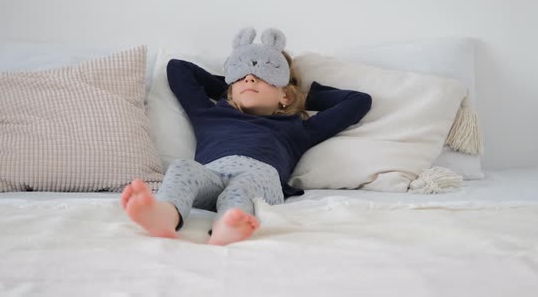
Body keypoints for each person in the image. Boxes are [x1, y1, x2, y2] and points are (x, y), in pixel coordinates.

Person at [121, 28, 372, 245]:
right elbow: (178, 68)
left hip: (260, 177)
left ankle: (227, 226)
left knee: (242, 189)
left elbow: (358, 101)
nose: (250, 77)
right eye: (242, 77)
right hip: (212, 175)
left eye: (265, 78)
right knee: (182, 168)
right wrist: (237, 84)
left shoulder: (297, 128)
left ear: (285, 96)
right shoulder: (209, 112)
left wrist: (301, 97)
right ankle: (165, 215)